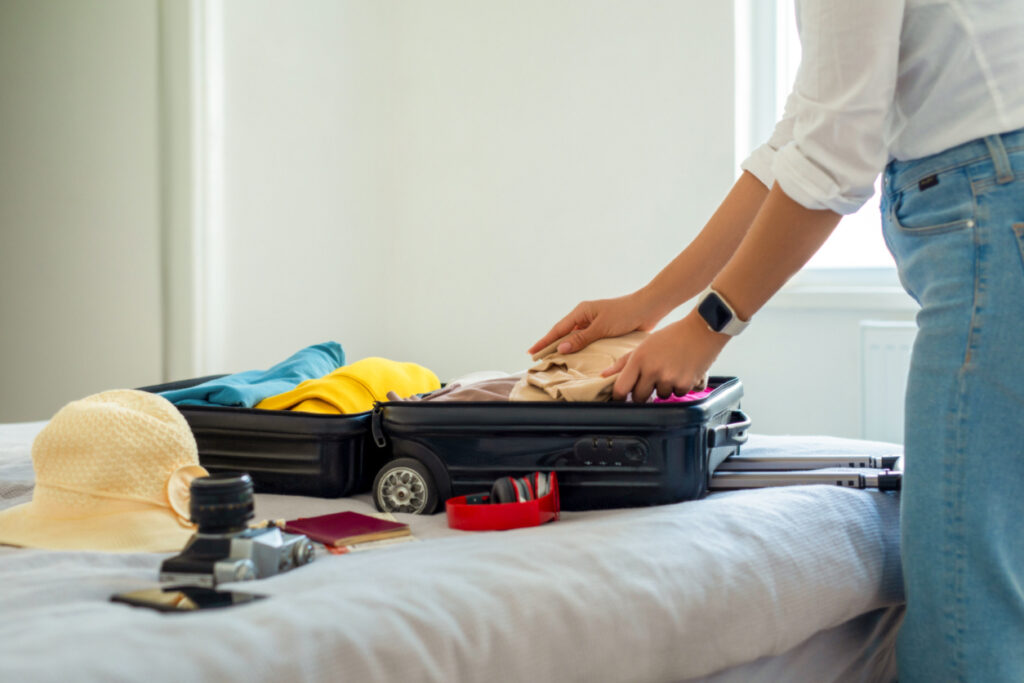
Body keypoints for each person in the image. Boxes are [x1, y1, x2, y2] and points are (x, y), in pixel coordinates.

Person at [529, 1, 1024, 680]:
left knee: (963, 597)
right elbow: (798, 140)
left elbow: (834, 151)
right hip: (992, 201)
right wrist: (650, 304)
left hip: (992, 215)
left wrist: (710, 325)